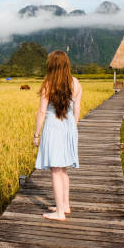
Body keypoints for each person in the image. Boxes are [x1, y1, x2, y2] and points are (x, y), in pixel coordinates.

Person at [32, 50, 82, 221]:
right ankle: (64, 205)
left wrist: (36, 135)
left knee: (55, 170)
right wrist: (72, 129)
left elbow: (41, 112)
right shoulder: (75, 83)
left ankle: (59, 212)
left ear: (51, 65)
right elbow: (77, 109)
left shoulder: (48, 84)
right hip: (69, 127)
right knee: (63, 169)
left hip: (53, 127)